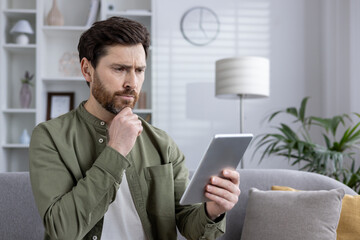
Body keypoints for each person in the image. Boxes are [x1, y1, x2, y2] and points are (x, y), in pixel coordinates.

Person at [29, 16, 241, 240]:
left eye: (139, 70)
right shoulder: (50, 137)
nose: (132, 82)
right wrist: (116, 149)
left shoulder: (162, 143)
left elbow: (189, 223)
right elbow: (63, 230)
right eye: (120, 69)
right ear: (87, 70)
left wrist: (213, 210)